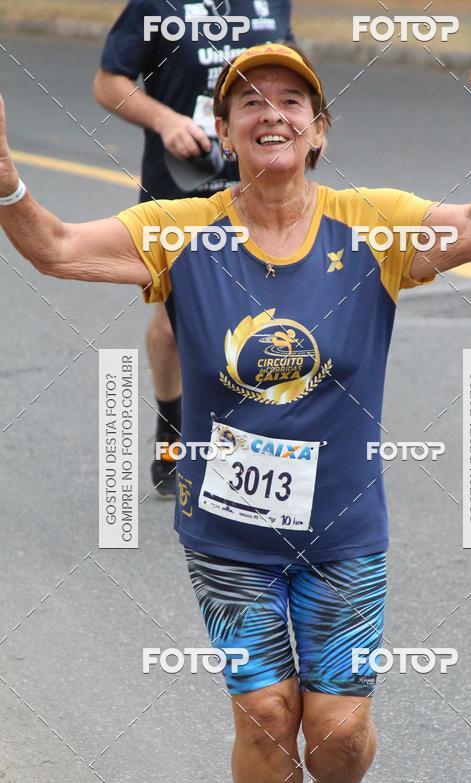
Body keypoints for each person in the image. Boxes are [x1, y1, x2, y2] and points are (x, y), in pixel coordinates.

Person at [0, 43, 471, 783]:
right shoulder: (180, 233)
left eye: (293, 101)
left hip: (344, 528)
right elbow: (55, 247)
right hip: (228, 534)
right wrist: (3, 177)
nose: (272, 113)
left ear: (319, 131)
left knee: (338, 730)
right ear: (225, 131)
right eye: (249, 102)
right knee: (263, 715)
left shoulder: (374, 223)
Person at [93, 0, 294, 497]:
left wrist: (301, 130)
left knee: (270, 314)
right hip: (179, 185)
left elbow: (288, 65)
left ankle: (257, 452)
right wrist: (164, 120)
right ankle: (172, 428)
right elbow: (109, 82)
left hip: (261, 185)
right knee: (173, 324)